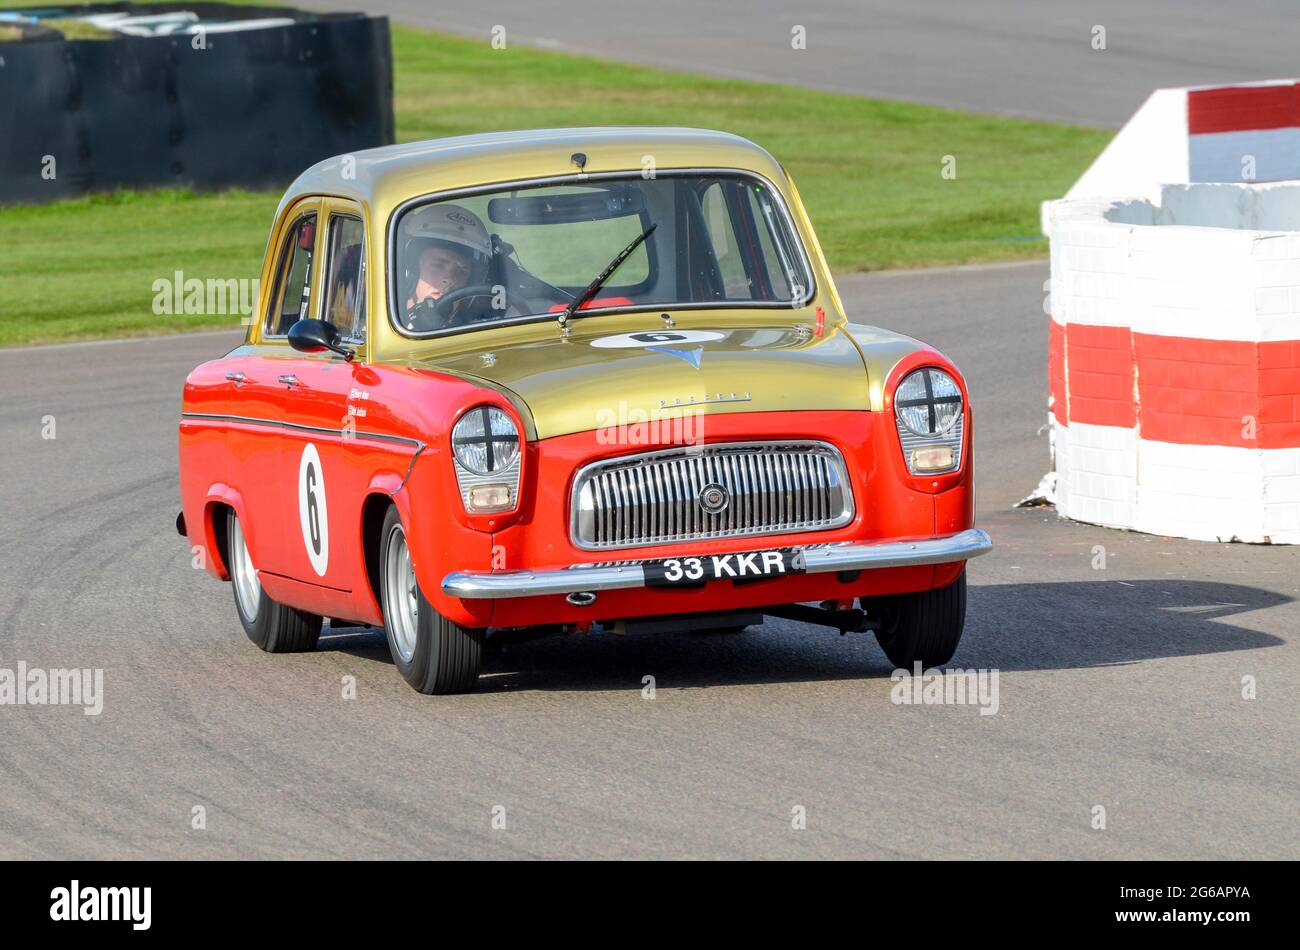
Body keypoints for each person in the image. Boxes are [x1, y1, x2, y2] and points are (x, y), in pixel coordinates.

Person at [401, 204, 493, 330]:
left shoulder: (483, 330)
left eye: (462, 271)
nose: (449, 279)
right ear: (412, 270)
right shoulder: (374, 326)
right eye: (438, 265)